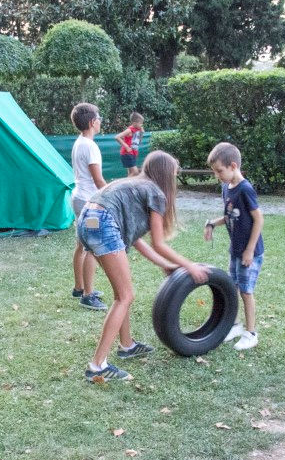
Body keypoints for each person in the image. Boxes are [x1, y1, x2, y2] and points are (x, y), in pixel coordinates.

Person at [77, 151, 209, 382]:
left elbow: (136, 240)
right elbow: (158, 243)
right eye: (174, 174)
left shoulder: (134, 185)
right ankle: (97, 366)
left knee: (121, 294)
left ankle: (127, 345)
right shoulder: (155, 192)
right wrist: (189, 266)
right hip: (103, 223)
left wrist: (164, 265)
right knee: (125, 296)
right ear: (166, 174)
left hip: (87, 220)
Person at [203, 142, 265, 351]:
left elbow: (259, 219)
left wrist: (249, 249)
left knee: (246, 292)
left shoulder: (245, 189)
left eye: (219, 171)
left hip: (250, 252)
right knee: (233, 287)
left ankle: (251, 333)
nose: (217, 175)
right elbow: (230, 215)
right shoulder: (226, 188)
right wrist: (213, 223)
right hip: (236, 250)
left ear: (233, 166)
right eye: (214, 171)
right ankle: (236, 326)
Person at [70, 103, 108, 311]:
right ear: (93, 122)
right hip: (89, 202)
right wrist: (113, 193)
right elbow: (98, 180)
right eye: (99, 118)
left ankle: (79, 287)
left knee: (81, 245)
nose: (100, 121)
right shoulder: (90, 146)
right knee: (92, 247)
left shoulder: (79, 142)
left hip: (78, 199)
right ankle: (87, 295)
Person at [114, 112, 145, 176]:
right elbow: (117, 137)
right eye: (140, 123)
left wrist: (141, 133)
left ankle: (128, 182)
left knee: (131, 173)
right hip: (127, 153)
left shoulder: (138, 130)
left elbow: (139, 142)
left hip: (133, 153)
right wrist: (126, 146)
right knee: (135, 172)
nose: (141, 125)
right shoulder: (129, 130)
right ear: (134, 123)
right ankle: (124, 182)